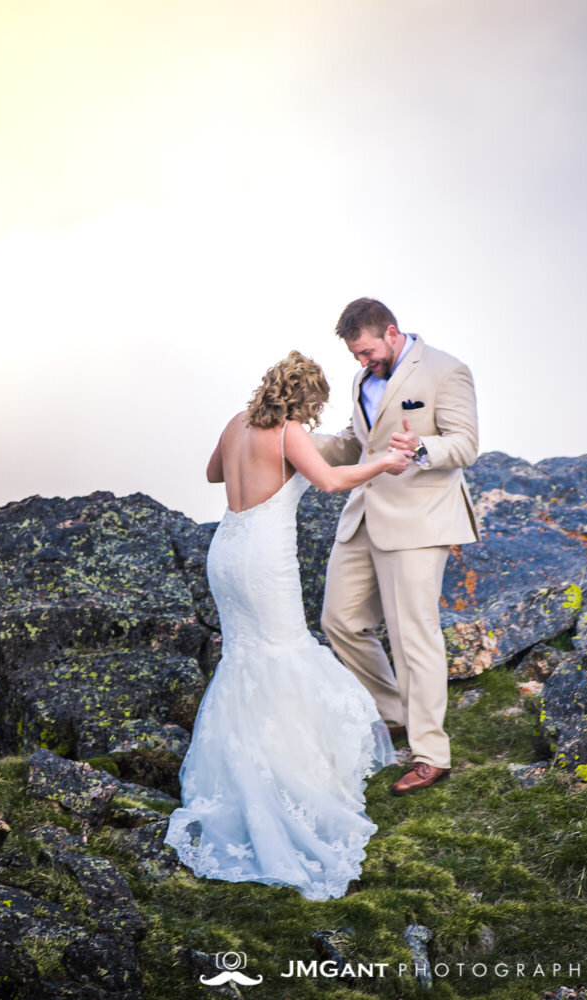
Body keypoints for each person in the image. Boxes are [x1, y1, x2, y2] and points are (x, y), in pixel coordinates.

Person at [165, 350, 410, 901]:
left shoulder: (236, 424)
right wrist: (383, 464)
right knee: (282, 651)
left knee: (246, 660)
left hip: (225, 550)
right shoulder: (289, 432)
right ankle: (289, 775)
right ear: (306, 398)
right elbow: (328, 481)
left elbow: (211, 474)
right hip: (262, 556)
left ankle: (247, 768)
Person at [312, 298, 480, 795]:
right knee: (339, 621)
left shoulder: (448, 371)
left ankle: (431, 754)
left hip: (418, 519)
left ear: (391, 331)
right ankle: (394, 714)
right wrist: (292, 441)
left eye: (366, 351)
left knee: (414, 637)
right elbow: (358, 440)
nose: (363, 362)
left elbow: (466, 444)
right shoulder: (365, 377)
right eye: (356, 355)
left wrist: (423, 449)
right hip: (363, 515)